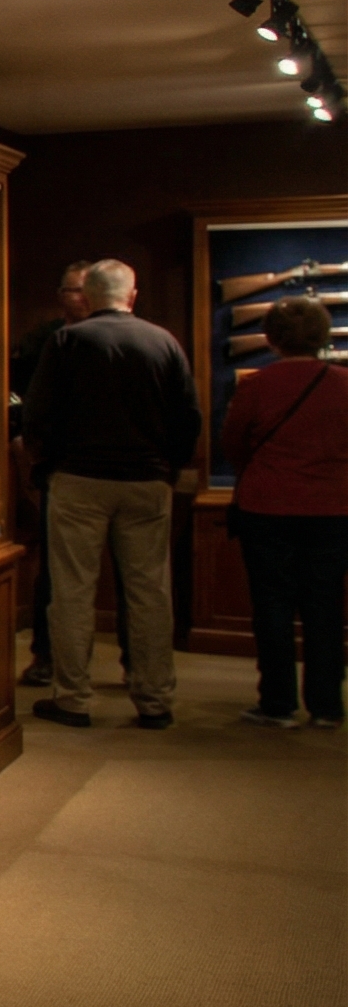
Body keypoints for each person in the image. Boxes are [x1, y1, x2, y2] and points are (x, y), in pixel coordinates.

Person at [24, 260, 200, 727]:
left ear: (87, 294)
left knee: (72, 592)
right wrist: (168, 468)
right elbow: (188, 417)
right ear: (133, 295)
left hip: (79, 478)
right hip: (146, 480)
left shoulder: (68, 341)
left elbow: (37, 415)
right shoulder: (163, 342)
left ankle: (73, 697)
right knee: (150, 593)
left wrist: (49, 465)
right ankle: (155, 698)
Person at [220, 295, 348, 728]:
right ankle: (327, 705)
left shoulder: (256, 385)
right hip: (332, 509)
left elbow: (234, 444)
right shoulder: (343, 384)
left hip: (267, 506)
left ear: (272, 338)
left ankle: (277, 702)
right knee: (325, 608)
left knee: (272, 606)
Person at [14, 262, 115, 686]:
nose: (82, 296)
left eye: (87, 288)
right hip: (66, 471)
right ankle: (48, 660)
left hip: (105, 471)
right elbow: (23, 404)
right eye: (75, 289)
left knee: (136, 584)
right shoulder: (46, 340)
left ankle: (139, 670)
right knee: (57, 577)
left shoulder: (76, 341)